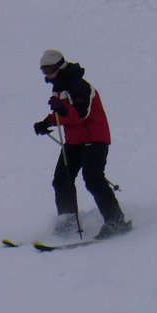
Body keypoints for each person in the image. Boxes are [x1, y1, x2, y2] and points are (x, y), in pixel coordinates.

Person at [32, 49, 131, 239]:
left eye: (50, 69)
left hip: (94, 138)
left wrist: (62, 109)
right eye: (43, 70)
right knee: (61, 179)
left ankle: (116, 221)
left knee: (93, 178)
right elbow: (63, 114)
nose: (48, 74)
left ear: (60, 66)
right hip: (75, 141)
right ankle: (68, 222)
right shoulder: (59, 87)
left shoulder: (79, 85)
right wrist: (46, 122)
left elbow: (81, 114)